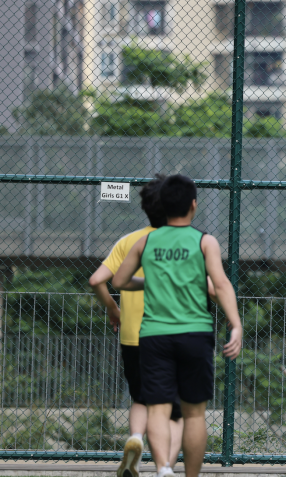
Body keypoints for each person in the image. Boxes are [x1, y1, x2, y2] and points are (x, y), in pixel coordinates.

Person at [112, 174, 243, 477]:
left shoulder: (147, 241)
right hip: (195, 334)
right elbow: (221, 285)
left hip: (155, 335)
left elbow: (118, 281)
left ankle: (163, 469)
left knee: (157, 408)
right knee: (194, 413)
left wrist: (148, 281)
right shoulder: (204, 241)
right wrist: (235, 325)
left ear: (163, 206)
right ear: (193, 205)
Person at [87, 175, 183, 477]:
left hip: (132, 337)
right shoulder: (183, 242)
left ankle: (135, 440)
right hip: (169, 336)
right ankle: (164, 466)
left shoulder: (129, 240)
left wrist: (113, 309)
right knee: (172, 406)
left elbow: (96, 280)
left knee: (140, 397)